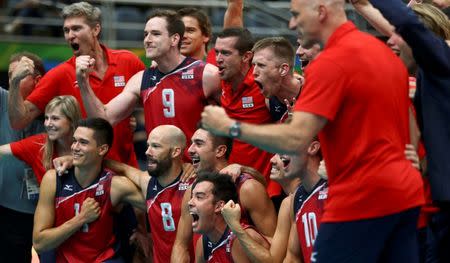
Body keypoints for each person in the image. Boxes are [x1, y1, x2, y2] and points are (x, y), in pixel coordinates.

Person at [201, 0, 425, 261]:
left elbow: (296, 137)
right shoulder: (382, 52)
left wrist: (229, 127)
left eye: (296, 15)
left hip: (361, 197)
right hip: (405, 193)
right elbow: (411, 125)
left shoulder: (329, 63)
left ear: (321, 12)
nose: (292, 23)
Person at [350, 1, 450, 261]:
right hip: (435, 212)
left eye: (397, 36)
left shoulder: (441, 65)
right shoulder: (428, 77)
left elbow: (408, 26)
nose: (389, 42)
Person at [7, 1, 145, 168]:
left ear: (96, 29)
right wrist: (15, 83)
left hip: (125, 168)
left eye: (76, 28)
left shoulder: (128, 61)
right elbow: (19, 121)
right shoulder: (59, 74)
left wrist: (131, 119)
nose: (70, 35)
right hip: (83, 175)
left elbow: (152, 103)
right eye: (66, 30)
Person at [76, 9, 221, 159]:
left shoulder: (207, 74)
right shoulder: (141, 79)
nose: (147, 40)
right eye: (146, 34)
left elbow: (233, 122)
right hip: (160, 173)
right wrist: (83, 82)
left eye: (156, 34)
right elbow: (104, 119)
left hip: (196, 171)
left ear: (175, 39)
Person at [32, 118, 145, 262]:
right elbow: (39, 243)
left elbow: (158, 201)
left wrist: (145, 232)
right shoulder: (53, 179)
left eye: (83, 142)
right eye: (74, 141)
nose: (74, 147)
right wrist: (81, 219)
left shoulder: (115, 185)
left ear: (102, 149)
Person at [171, 127, 277, 262]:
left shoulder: (247, 188)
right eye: (191, 143)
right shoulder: (192, 191)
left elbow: (274, 245)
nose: (190, 150)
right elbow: (181, 245)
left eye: (198, 143)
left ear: (220, 151)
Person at [104, 125, 194, 263]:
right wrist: (74, 160)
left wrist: (239, 167)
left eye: (156, 146)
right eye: (148, 145)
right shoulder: (147, 182)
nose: (147, 152)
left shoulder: (196, 184)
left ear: (175, 152)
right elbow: (123, 168)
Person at [214, 27, 281, 198]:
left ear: (246, 56)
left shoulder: (265, 85)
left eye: (226, 53)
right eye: (216, 52)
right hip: (234, 184)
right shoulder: (222, 80)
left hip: (267, 188)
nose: (218, 59)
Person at [0, 52, 46, 263]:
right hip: (6, 210)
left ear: (38, 80)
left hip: (46, 213)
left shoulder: (52, 108)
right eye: (10, 75)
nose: (13, 80)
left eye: (20, 74)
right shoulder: (3, 99)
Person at [189, 171, 270, 262]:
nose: (190, 202)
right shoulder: (203, 243)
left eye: (199, 197)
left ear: (219, 206)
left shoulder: (241, 240)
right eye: (191, 197)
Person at [1, 95, 81, 184]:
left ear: (71, 121)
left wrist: (74, 160)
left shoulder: (87, 143)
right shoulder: (39, 143)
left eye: (55, 118)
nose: (47, 124)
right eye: (46, 118)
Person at [251, 37, 302, 121]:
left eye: (261, 65)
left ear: (283, 70)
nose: (254, 72)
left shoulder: (311, 92)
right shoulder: (269, 101)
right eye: (254, 65)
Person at [177, 0, 244, 63]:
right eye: (180, 31)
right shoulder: (167, 67)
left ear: (206, 36)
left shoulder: (219, 60)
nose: (183, 36)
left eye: (190, 30)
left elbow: (235, 6)